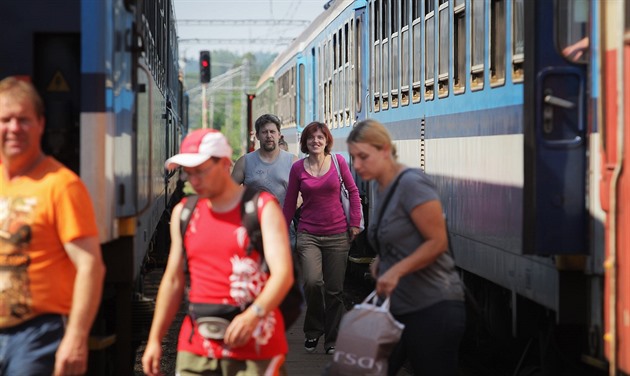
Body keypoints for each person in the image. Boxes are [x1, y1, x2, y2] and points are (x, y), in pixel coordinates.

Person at [142, 129, 294, 376]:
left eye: (200, 171)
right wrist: (154, 339)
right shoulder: (185, 213)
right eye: (188, 174)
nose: (194, 181)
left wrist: (254, 314)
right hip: (197, 348)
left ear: (225, 164)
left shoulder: (262, 209)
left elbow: (283, 274)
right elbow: (172, 281)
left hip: (255, 350)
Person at [0, 76, 106, 375]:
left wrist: (76, 337)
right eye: (5, 119)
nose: (13, 128)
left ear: (41, 124)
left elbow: (90, 267)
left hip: (37, 337)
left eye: (24, 119)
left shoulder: (61, 185)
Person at [346, 119, 466, 376]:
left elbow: (438, 241)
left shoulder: (412, 184)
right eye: (353, 157)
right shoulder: (383, 188)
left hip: (432, 307)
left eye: (363, 157)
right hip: (398, 308)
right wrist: (382, 261)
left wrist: (396, 270)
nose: (356, 165)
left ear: (385, 151)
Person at [282, 121, 362, 355]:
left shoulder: (338, 163)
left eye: (320, 137)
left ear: (327, 140)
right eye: (311, 138)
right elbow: (289, 202)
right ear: (305, 142)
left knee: (335, 290)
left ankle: (332, 339)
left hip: (338, 235)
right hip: (308, 234)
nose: (315, 141)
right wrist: (280, 228)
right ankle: (313, 330)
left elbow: (354, 192)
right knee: (313, 282)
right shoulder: (298, 168)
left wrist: (355, 222)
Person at [231, 114, 297, 208]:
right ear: (257, 135)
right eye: (264, 132)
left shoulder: (293, 162)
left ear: (279, 135)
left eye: (272, 132)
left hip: (283, 221)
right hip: (252, 221)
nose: (269, 136)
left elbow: (303, 194)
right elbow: (228, 193)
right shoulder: (244, 162)